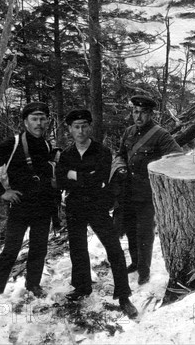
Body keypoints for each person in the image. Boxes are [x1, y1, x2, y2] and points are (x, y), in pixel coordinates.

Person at [56, 109, 138, 319]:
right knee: (78, 248)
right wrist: (83, 177)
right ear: (70, 130)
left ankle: (123, 295)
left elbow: (99, 178)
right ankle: (82, 287)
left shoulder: (102, 151)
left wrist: (74, 174)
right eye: (76, 126)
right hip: (74, 206)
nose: (81, 130)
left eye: (84, 125)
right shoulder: (66, 154)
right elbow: (61, 181)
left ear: (90, 127)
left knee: (114, 249)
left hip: (97, 205)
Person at [0, 102, 57, 309]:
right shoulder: (12, 144)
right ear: (25, 122)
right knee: (10, 250)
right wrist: (2, 193)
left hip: (43, 205)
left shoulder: (47, 145)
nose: (39, 123)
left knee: (39, 248)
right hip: (20, 206)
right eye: (34, 119)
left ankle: (33, 285)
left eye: (42, 118)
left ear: (47, 121)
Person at [116, 95, 183, 285]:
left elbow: (176, 156)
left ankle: (144, 271)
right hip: (127, 191)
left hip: (147, 192)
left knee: (144, 232)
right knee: (130, 229)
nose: (139, 117)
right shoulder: (128, 132)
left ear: (150, 114)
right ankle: (136, 263)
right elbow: (120, 154)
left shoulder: (160, 134)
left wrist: (157, 171)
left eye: (143, 113)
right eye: (135, 112)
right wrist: (120, 166)